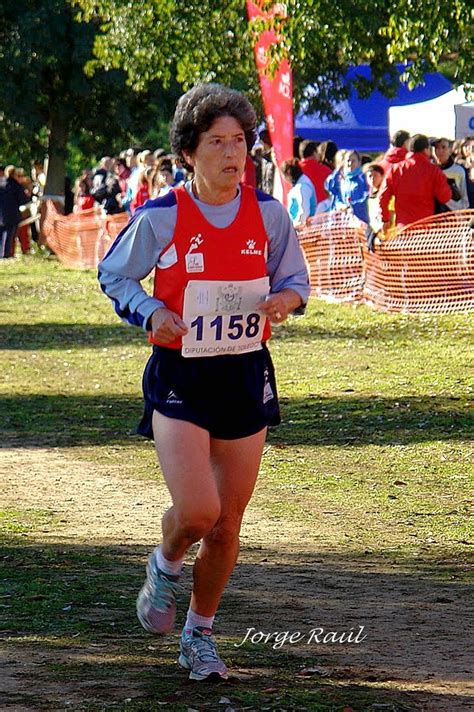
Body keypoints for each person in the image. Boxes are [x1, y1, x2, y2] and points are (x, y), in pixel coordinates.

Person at [98, 83, 310, 681]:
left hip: (244, 373)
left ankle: (200, 634)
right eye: (215, 142)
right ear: (188, 153)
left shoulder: (268, 213)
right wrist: (151, 312)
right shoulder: (162, 215)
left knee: (226, 527)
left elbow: (296, 279)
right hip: (181, 376)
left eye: (239, 141)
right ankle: (163, 566)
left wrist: (284, 300)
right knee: (196, 510)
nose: (230, 153)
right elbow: (114, 276)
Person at [379, 134, 451, 229]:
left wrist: (385, 219)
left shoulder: (395, 169)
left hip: (403, 227)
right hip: (426, 227)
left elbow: (383, 196)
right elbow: (444, 197)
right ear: (426, 149)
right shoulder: (434, 171)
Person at [432, 137, 469, 211]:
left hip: (453, 216)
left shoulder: (458, 170)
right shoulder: (430, 169)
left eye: (443, 147)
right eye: (437, 148)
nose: (440, 151)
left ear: (450, 150)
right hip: (433, 216)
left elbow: (465, 198)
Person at [0, 165, 28, 258]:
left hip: (1, 213)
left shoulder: (1, 184)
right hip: (12, 214)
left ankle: (1, 253)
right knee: (9, 235)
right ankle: (6, 254)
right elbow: (23, 200)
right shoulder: (16, 186)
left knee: (1, 233)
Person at [281, 158, 317, 226]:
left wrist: (294, 227)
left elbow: (304, 213)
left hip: (303, 232)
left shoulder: (303, 187)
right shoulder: (299, 185)